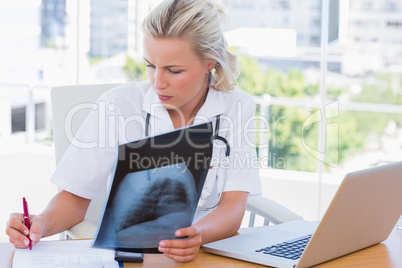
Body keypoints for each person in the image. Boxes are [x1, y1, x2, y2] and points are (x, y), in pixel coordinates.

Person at [6, 0, 261, 262]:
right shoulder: (118, 105)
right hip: (132, 260)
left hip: (204, 256)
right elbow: (74, 198)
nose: (158, 82)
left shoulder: (236, 106)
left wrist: (197, 234)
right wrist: (39, 224)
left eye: (174, 70)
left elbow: (233, 207)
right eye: (151, 65)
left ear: (210, 62)